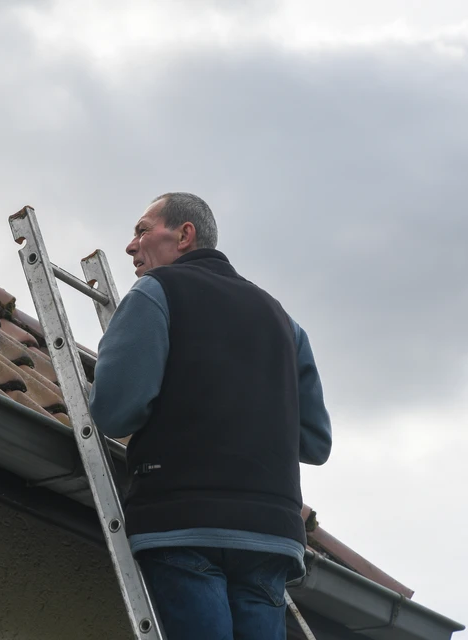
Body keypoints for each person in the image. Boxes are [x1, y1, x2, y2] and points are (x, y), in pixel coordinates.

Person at [89, 192, 332, 640]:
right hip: (270, 534)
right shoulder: (284, 321)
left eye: (143, 230)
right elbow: (315, 443)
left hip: (184, 523)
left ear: (184, 235)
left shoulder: (157, 292)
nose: (130, 245)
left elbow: (115, 412)